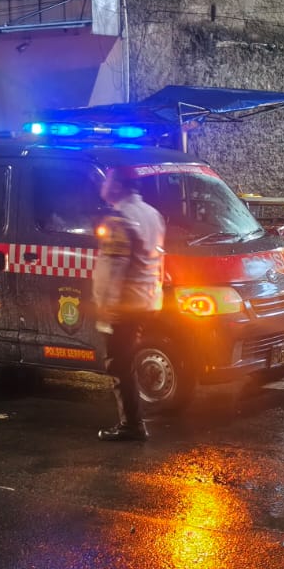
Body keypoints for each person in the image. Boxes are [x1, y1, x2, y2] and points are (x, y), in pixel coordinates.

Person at [91, 164, 165, 441]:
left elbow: (114, 268)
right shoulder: (152, 214)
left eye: (108, 180)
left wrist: (105, 307)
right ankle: (132, 422)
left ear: (118, 186)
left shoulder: (119, 219)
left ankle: (131, 425)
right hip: (146, 300)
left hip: (124, 304)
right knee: (126, 360)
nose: (103, 185)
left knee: (119, 364)